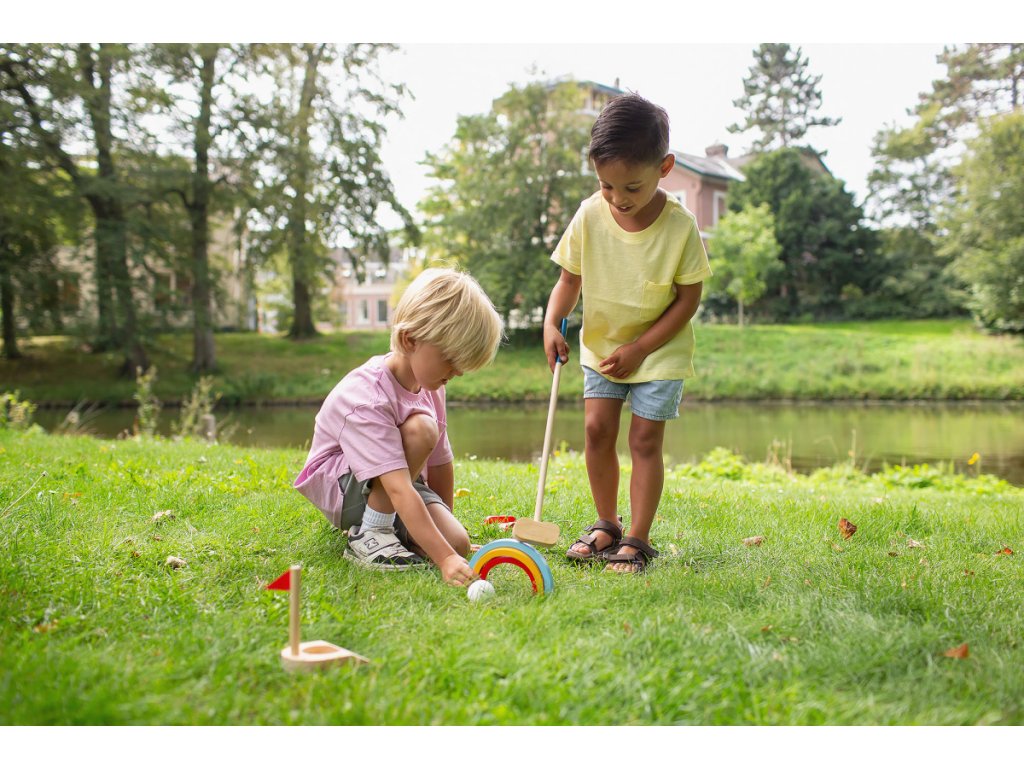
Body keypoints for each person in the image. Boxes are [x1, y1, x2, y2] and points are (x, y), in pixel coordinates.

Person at [544, 93, 712, 574]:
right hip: (603, 346)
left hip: (657, 349)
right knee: (597, 430)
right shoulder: (590, 214)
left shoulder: (680, 227)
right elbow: (569, 280)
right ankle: (606, 524)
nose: (618, 198)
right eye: (606, 185)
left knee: (643, 440)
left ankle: (638, 537)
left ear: (665, 168)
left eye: (631, 187)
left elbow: (688, 300)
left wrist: (640, 348)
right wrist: (552, 322)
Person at [294, 267, 504, 587]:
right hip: (344, 486)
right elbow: (397, 488)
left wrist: (447, 543)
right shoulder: (367, 396)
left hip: (398, 479)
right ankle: (371, 533)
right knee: (422, 429)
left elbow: (440, 462)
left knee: (458, 542)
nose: (458, 371)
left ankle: (394, 530)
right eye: (451, 359)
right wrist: (444, 559)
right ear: (410, 340)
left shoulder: (431, 384)